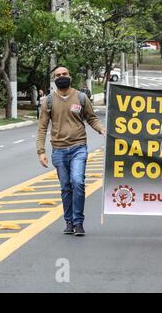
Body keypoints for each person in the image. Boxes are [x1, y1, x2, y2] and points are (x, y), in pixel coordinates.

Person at [36, 66, 106, 236]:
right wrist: (41, 151)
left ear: (70, 76)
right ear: (54, 79)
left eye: (64, 74)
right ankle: (69, 221)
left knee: (78, 182)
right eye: (58, 75)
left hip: (78, 147)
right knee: (66, 186)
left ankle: (78, 222)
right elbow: (42, 127)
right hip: (58, 150)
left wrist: (101, 129)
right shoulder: (48, 101)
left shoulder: (81, 97)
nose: (61, 77)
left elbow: (91, 118)